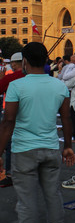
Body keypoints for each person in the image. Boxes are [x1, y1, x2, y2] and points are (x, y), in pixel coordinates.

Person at [0, 43, 75, 223]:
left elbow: (8, 122)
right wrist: (68, 146)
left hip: (24, 149)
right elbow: (66, 118)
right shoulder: (59, 85)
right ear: (45, 61)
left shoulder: (17, 86)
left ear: (24, 61)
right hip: (51, 147)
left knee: (26, 199)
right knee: (53, 194)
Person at [0, 52, 26, 187]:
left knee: (10, 144)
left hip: (14, 115)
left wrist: (2, 78)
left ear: (15, 63)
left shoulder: (13, 77)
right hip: (31, 117)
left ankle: (10, 174)